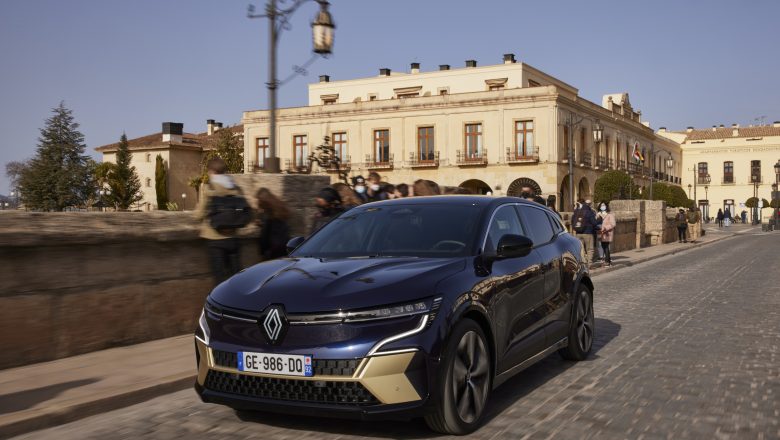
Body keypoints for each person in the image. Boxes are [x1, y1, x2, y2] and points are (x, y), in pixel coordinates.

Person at [196, 157, 244, 285]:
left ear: (211, 171)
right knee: (237, 277)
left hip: (214, 238)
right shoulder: (236, 188)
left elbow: (199, 214)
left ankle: (221, 303)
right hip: (233, 237)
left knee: (219, 278)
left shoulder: (209, 188)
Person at [255, 187, 290, 262]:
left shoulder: (268, 212)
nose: (257, 202)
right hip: (283, 247)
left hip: (272, 250)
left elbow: (265, 235)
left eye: (258, 199)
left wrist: (263, 252)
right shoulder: (279, 207)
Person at [572, 199, 597, 266]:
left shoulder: (576, 211)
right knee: (589, 249)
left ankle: (581, 264)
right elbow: (594, 222)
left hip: (578, 233)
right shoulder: (589, 211)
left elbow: (572, 221)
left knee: (580, 249)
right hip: (588, 233)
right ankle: (589, 264)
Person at [597, 202, 616, 267]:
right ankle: (608, 260)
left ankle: (607, 262)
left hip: (607, 233)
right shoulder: (598, 214)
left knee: (606, 246)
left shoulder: (610, 215)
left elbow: (613, 224)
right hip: (601, 233)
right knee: (603, 246)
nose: (602, 206)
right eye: (601, 205)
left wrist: (605, 228)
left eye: (604, 205)